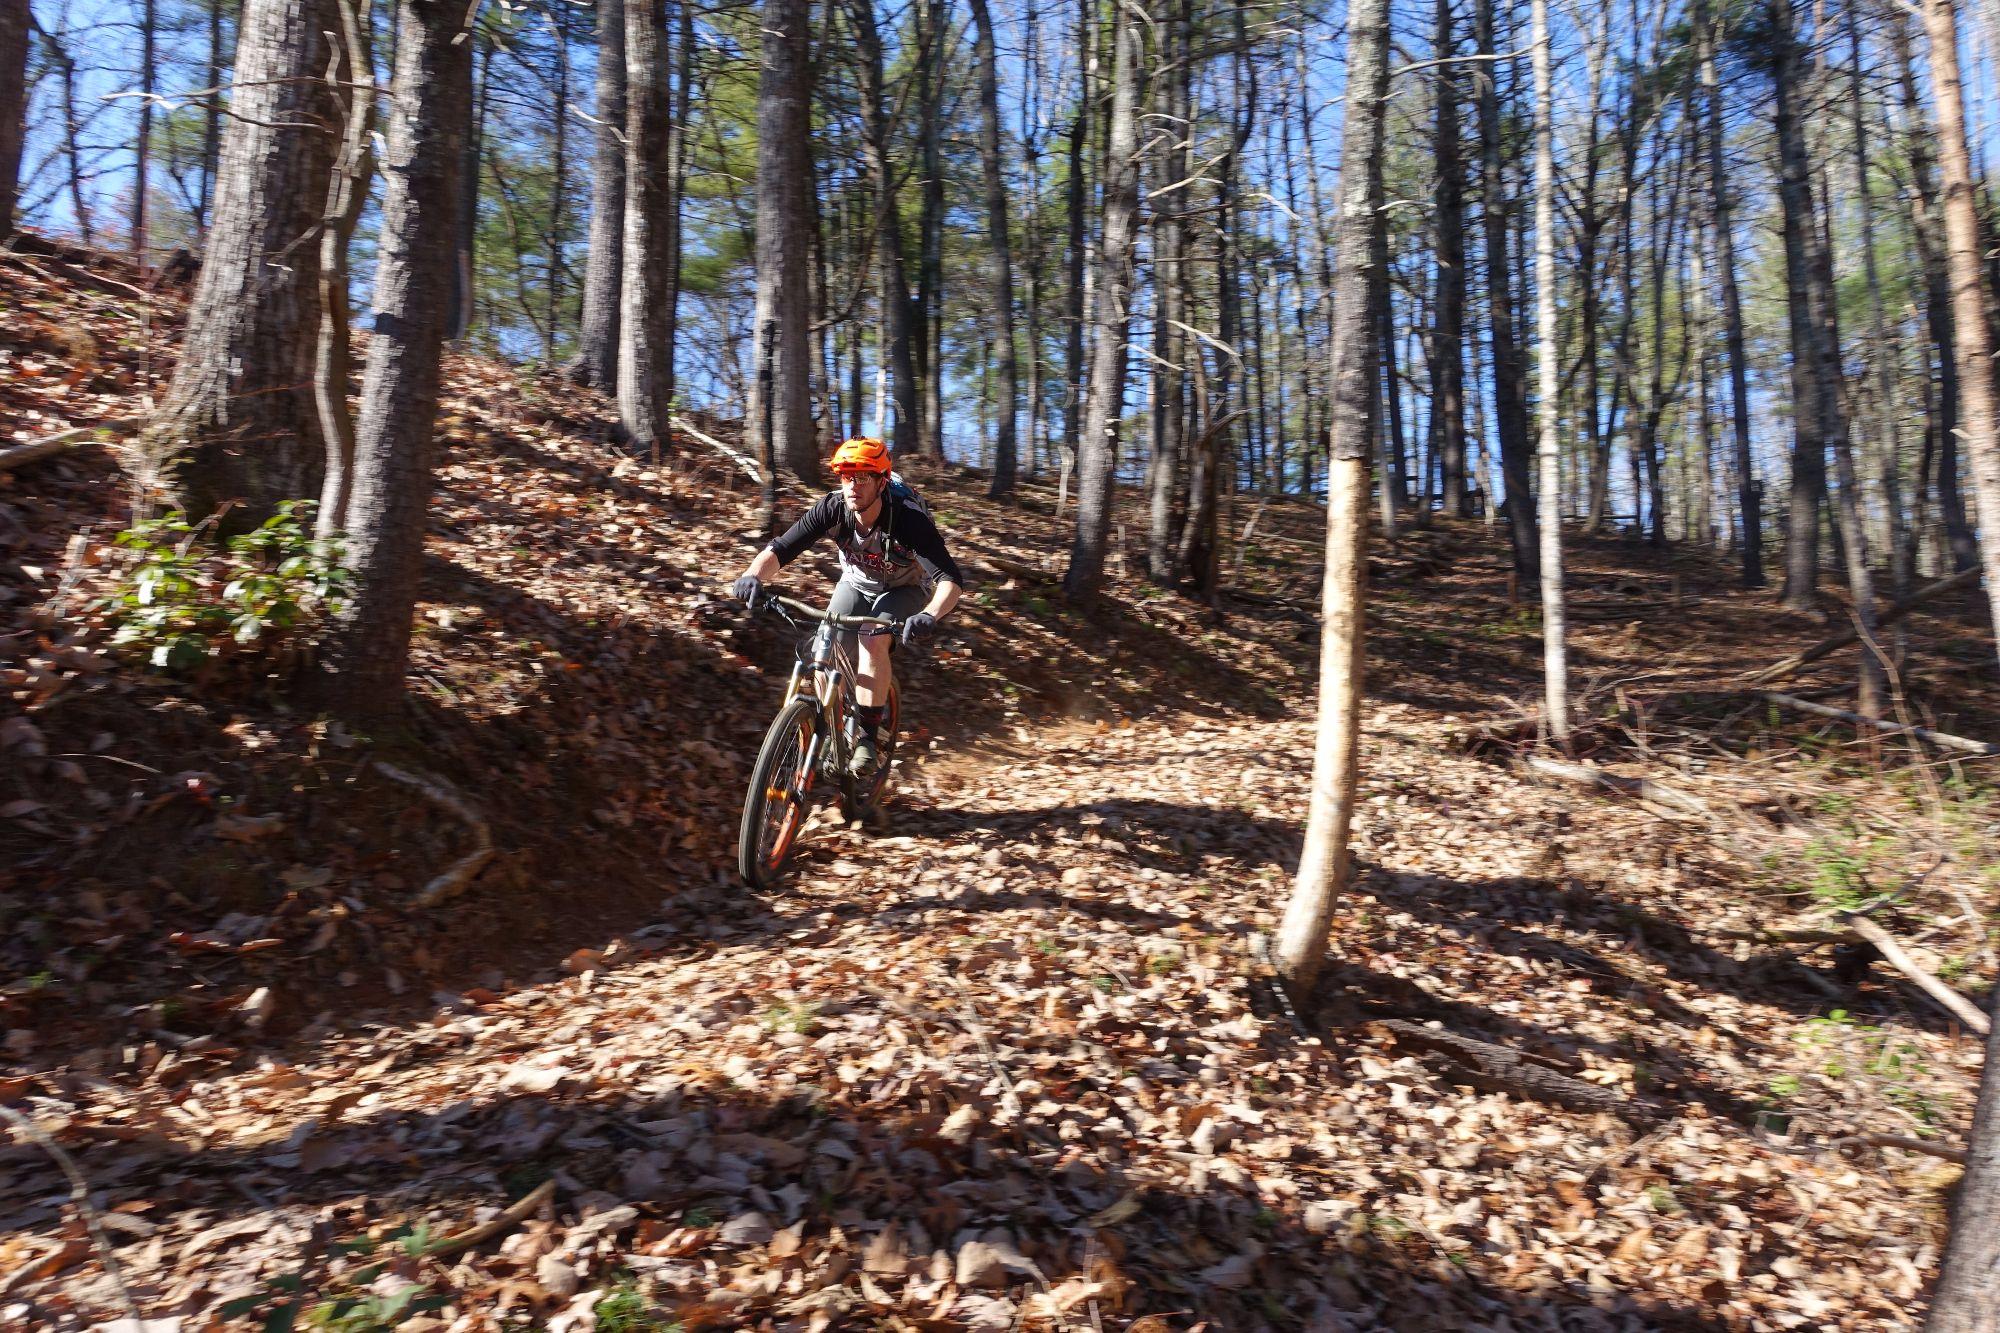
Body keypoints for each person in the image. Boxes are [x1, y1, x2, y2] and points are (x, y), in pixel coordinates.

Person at [731, 437, 963, 776]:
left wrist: (929, 615)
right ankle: (832, 728)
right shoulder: (833, 507)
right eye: (846, 476)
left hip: (905, 588)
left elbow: (950, 580)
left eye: (864, 477)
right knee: (826, 645)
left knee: (872, 638)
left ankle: (868, 737)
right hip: (855, 583)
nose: (853, 486)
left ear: (882, 481)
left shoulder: (908, 520)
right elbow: (782, 549)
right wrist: (753, 575)